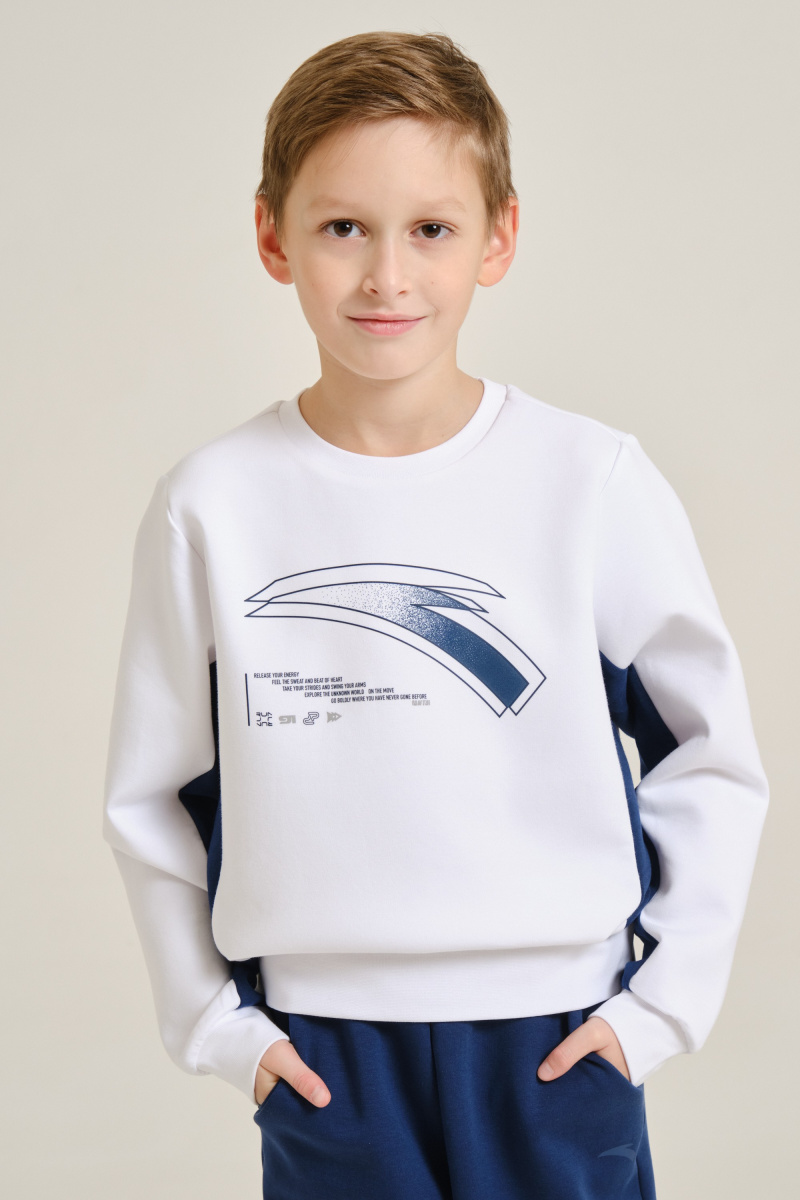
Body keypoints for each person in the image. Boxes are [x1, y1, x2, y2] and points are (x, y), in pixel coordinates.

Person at [102, 30, 769, 1200]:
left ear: (496, 237)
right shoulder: (211, 506)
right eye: (341, 227)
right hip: (327, 1058)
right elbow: (153, 795)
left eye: (429, 229)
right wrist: (221, 1032)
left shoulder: (587, 483)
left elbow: (707, 754)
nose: (385, 277)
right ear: (272, 236)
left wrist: (657, 1012)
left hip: (557, 1043)